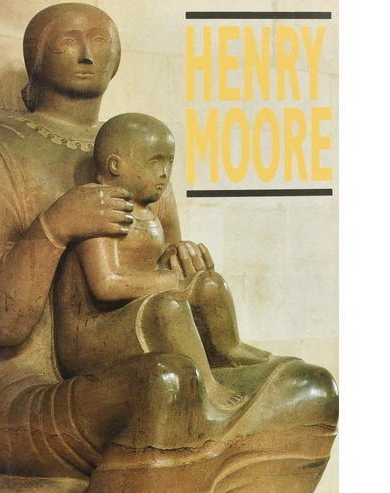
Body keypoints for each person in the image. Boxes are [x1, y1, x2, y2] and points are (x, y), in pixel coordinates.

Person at [0, 2, 338, 492]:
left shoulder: (137, 149)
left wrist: (182, 261)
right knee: (165, 387)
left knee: (309, 389)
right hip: (18, 399)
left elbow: (165, 274)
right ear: (35, 57)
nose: (87, 53)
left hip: (139, 358)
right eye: (67, 42)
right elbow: (5, 324)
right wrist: (54, 226)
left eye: (99, 40)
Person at [55, 112, 271, 410]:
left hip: (132, 308)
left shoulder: (145, 208)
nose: (164, 173)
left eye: (169, 162)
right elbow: (106, 284)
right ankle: (207, 385)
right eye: (154, 163)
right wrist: (171, 281)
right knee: (169, 306)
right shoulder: (98, 206)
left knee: (208, 283)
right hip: (91, 331)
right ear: (115, 165)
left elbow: (152, 262)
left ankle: (228, 349)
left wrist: (177, 257)